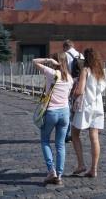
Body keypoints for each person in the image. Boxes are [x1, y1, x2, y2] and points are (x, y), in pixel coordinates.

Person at [33, 53, 73, 186]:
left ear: (55, 62)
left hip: (51, 112)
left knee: (45, 140)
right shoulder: (70, 78)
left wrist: (48, 59)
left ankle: (51, 171)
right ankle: (59, 175)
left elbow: (34, 61)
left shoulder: (52, 73)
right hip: (65, 112)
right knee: (60, 145)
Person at [70, 48, 106, 178]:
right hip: (98, 106)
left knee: (74, 133)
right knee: (94, 137)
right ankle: (94, 169)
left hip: (85, 106)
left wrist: (73, 92)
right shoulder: (102, 72)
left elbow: (80, 91)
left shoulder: (85, 70)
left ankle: (81, 164)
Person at [62, 40, 84, 143]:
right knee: (76, 109)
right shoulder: (81, 55)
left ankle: (67, 135)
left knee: (68, 109)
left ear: (65, 47)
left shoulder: (65, 55)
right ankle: (76, 133)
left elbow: (64, 70)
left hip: (70, 84)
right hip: (80, 84)